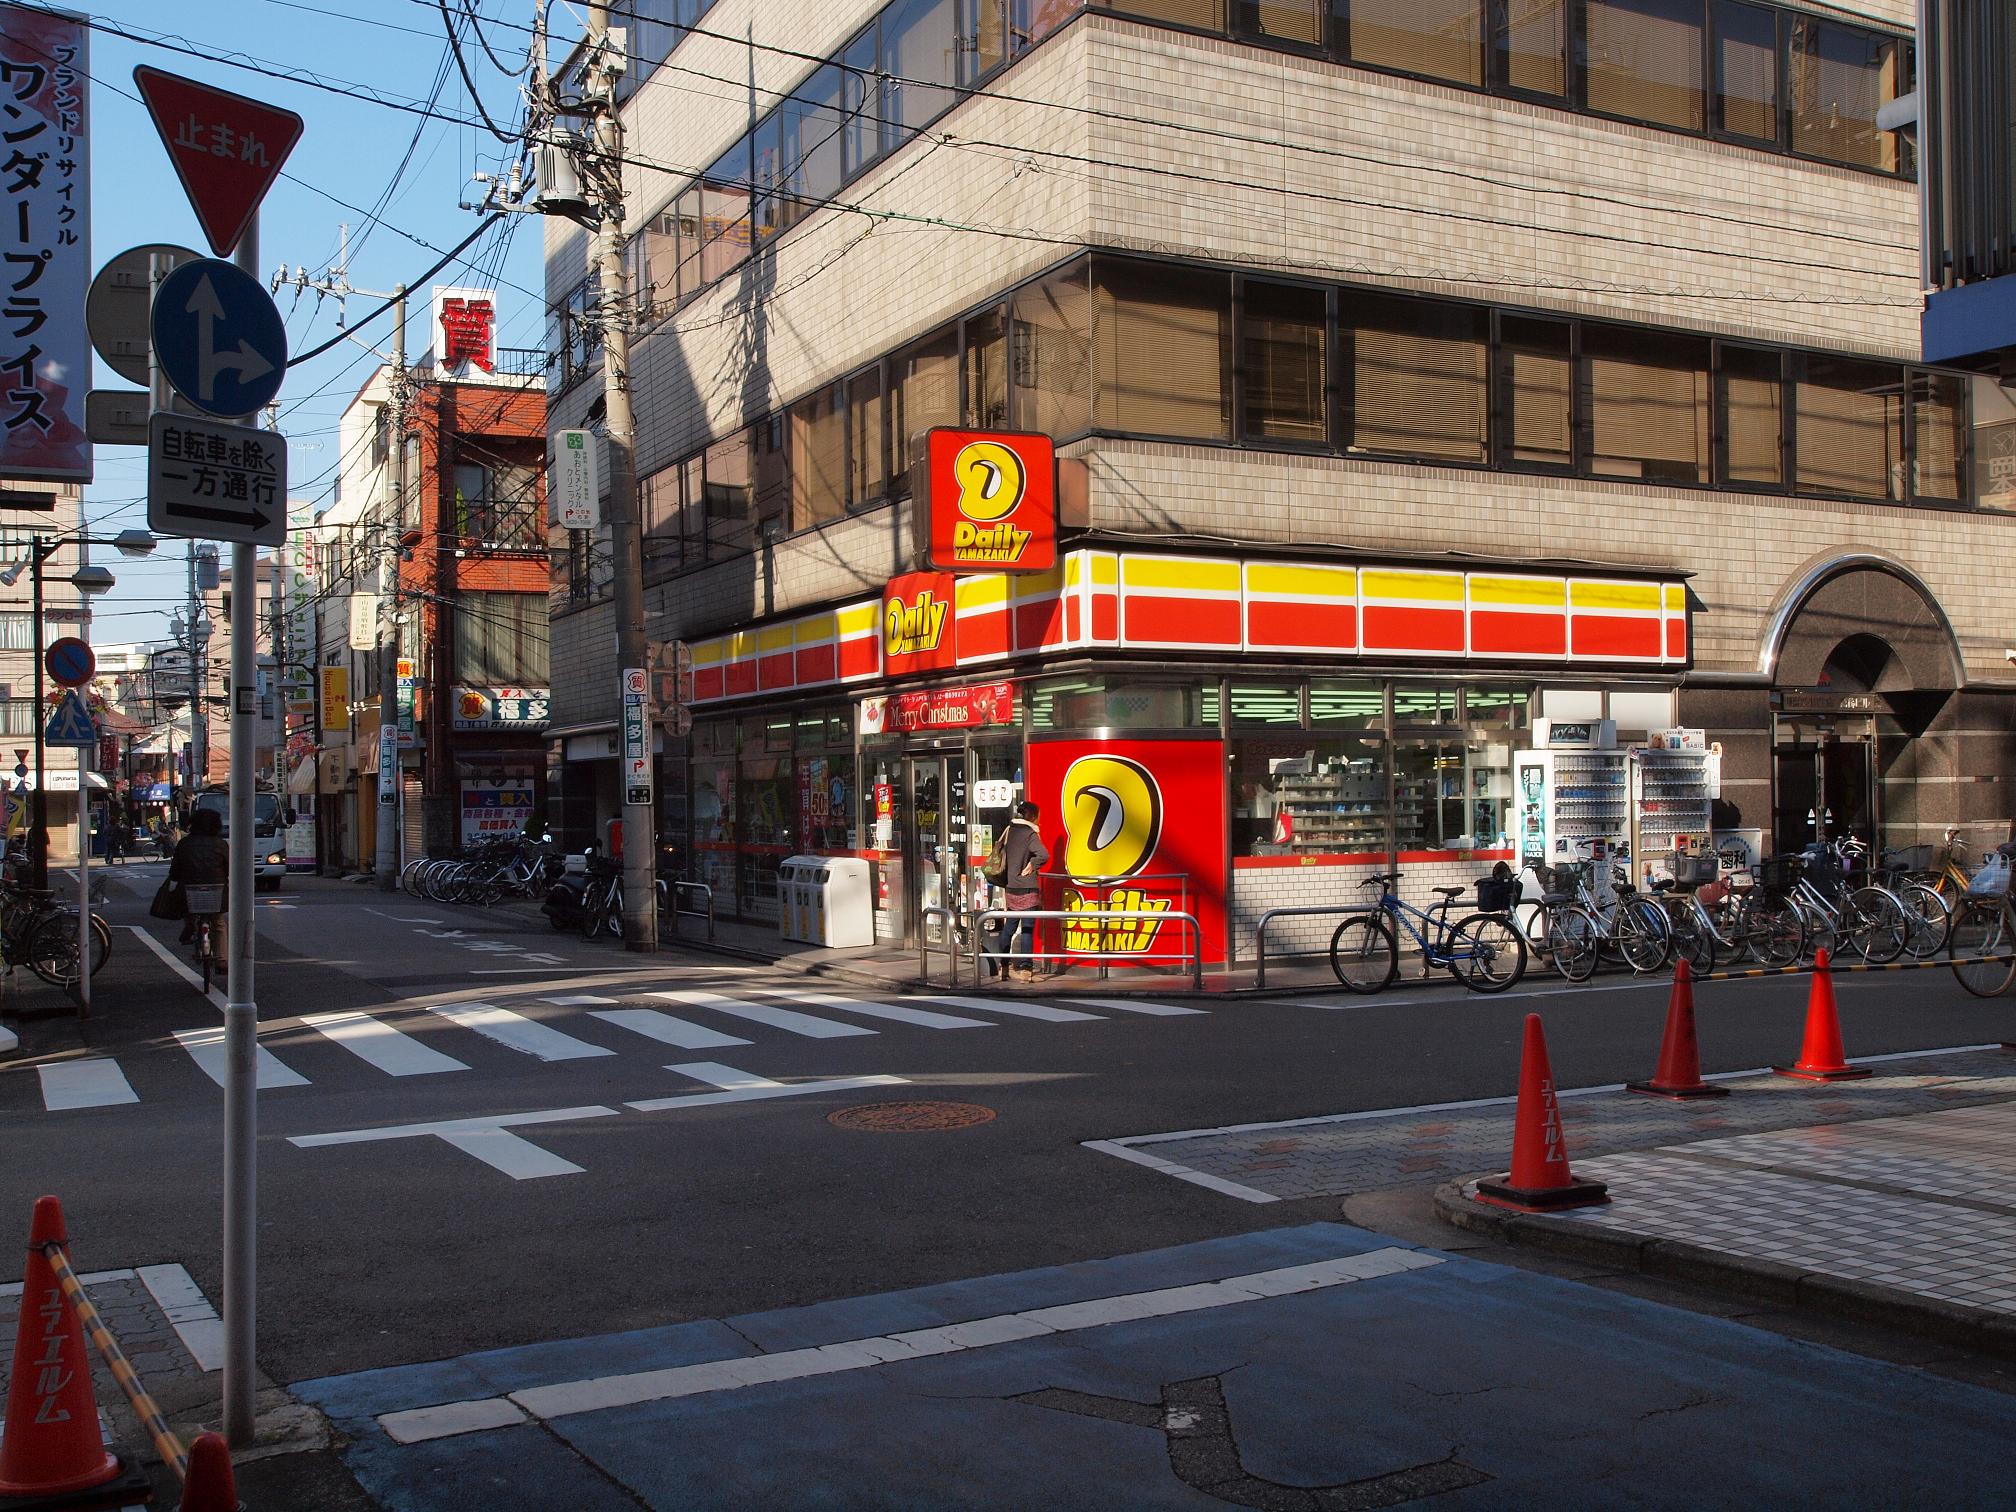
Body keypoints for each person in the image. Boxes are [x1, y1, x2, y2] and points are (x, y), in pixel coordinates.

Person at [997, 800, 1049, 983]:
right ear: (1033, 816)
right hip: (1027, 887)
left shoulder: (1010, 830)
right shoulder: (1030, 834)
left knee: (1009, 928)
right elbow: (1044, 854)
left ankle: (1004, 966)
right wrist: (1032, 865)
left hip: (1011, 887)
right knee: (1027, 929)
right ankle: (1026, 971)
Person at [168, 807, 228, 944]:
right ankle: (222, 960)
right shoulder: (221, 844)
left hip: (190, 888)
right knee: (218, 923)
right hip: (216, 889)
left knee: (189, 910)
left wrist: (175, 878)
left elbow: (175, 871)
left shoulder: (184, 844)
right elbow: (228, 868)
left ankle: (189, 927)